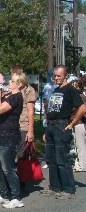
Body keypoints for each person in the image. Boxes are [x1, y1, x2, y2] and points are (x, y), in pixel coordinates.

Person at [41, 66, 86, 199]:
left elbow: (82, 107)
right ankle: (55, 187)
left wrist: (72, 123)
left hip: (62, 125)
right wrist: (47, 129)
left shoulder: (70, 89)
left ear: (65, 76)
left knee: (63, 159)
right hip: (51, 126)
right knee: (51, 159)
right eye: (54, 76)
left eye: (59, 76)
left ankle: (68, 189)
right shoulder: (56, 90)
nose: (56, 78)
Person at [0, 71, 25, 208]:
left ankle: (16, 196)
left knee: (7, 168)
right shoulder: (9, 96)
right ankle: (3, 194)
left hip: (9, 136)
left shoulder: (16, 97)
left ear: (19, 84)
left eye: (11, 82)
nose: (8, 83)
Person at [10, 66, 36, 158]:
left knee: (21, 155)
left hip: (23, 126)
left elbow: (31, 111)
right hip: (13, 125)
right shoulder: (12, 91)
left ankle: (22, 172)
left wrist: (30, 131)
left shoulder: (28, 90)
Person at [70, 79, 86, 171]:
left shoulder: (81, 97)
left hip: (80, 123)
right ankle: (78, 164)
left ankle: (81, 165)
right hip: (76, 122)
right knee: (77, 145)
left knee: (80, 145)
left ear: (79, 88)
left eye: (75, 86)